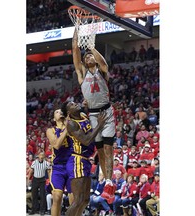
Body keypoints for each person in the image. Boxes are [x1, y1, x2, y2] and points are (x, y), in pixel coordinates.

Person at [72, 26, 116, 203]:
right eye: (87, 56)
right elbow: (75, 50)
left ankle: (109, 182)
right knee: (100, 151)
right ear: (84, 62)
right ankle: (106, 180)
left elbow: (103, 62)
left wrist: (91, 47)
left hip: (106, 111)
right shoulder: (81, 74)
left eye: (91, 56)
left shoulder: (102, 70)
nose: (89, 57)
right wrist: (77, 30)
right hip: (93, 114)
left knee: (108, 148)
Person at [61, 101, 107, 216]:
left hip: (85, 160)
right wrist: (99, 125)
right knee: (77, 200)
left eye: (74, 102)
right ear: (68, 112)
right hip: (77, 160)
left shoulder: (82, 115)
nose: (75, 104)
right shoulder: (71, 124)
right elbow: (86, 140)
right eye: (71, 105)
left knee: (85, 199)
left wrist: (87, 104)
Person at [46, 108, 73, 216]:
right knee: (57, 196)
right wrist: (67, 129)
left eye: (61, 111)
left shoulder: (72, 128)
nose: (60, 112)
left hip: (72, 165)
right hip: (58, 166)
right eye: (56, 111)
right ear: (54, 118)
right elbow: (56, 145)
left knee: (73, 199)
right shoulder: (50, 130)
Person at [27, 152, 51, 216]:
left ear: (44, 156)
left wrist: (50, 180)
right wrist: (29, 179)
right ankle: (34, 210)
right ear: (38, 156)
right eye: (40, 155)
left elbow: (49, 172)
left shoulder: (46, 163)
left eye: (43, 155)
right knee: (34, 195)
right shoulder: (34, 162)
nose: (41, 156)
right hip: (35, 179)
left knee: (42, 195)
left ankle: (42, 210)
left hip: (42, 180)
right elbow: (31, 171)